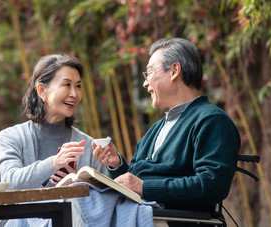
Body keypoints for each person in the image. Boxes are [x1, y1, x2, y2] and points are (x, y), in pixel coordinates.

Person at [93, 38, 240, 216]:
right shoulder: (155, 129)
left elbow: (211, 185)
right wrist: (116, 165)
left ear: (174, 71)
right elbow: (134, 186)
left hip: (173, 220)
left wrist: (144, 187)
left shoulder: (212, 121)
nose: (145, 83)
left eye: (149, 73)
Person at [0, 54, 108, 226]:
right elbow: (9, 182)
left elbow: (107, 200)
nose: (74, 93)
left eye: (78, 86)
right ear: (42, 91)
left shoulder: (88, 145)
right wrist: (54, 163)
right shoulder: (11, 137)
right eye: (66, 85)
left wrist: (79, 185)